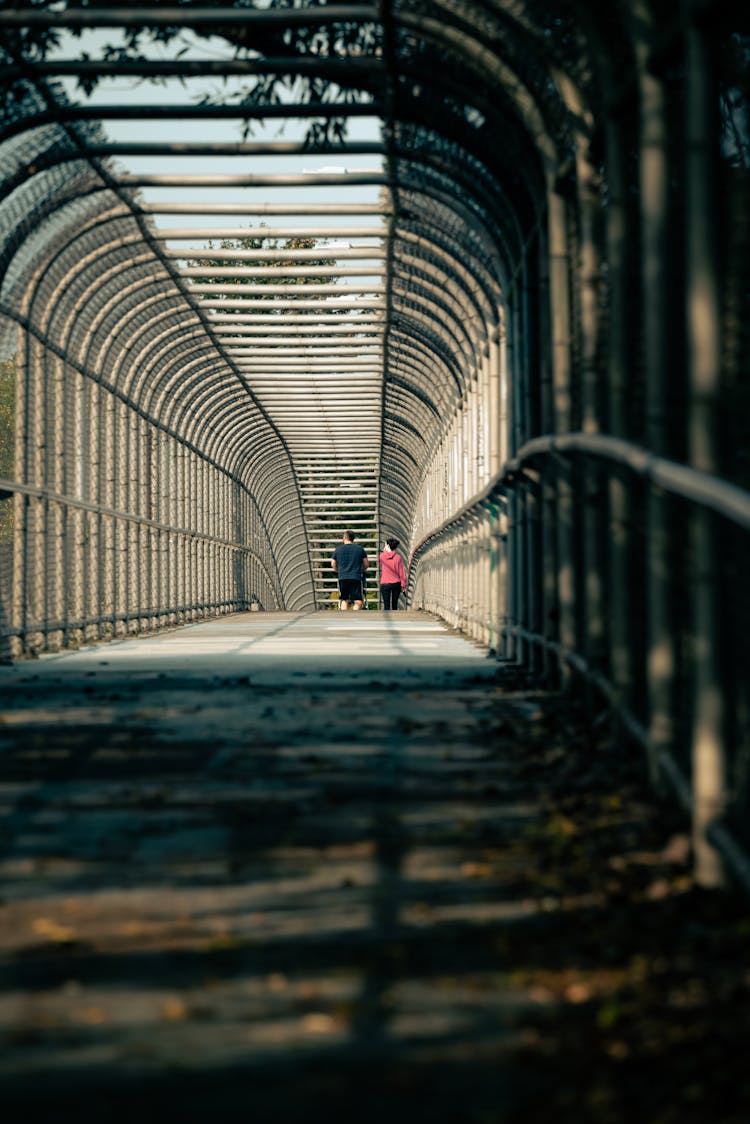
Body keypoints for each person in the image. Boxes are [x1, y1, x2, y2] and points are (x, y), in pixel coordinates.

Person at [331, 530, 369, 610]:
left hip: (343, 577)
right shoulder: (360, 549)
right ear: (353, 539)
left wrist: (339, 571)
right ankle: (355, 617)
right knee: (358, 601)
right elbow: (366, 564)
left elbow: (333, 564)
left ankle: (344, 619)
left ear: (344, 538)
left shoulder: (338, 549)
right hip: (356, 577)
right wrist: (360, 570)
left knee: (344, 600)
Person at [379, 536, 407, 610]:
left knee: (386, 605)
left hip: (385, 583)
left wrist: (385, 551)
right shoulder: (398, 557)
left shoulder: (382, 556)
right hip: (396, 584)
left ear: (388, 546)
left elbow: (380, 562)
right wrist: (403, 585)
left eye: (385, 545)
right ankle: (395, 618)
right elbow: (402, 572)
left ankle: (387, 620)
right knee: (395, 604)